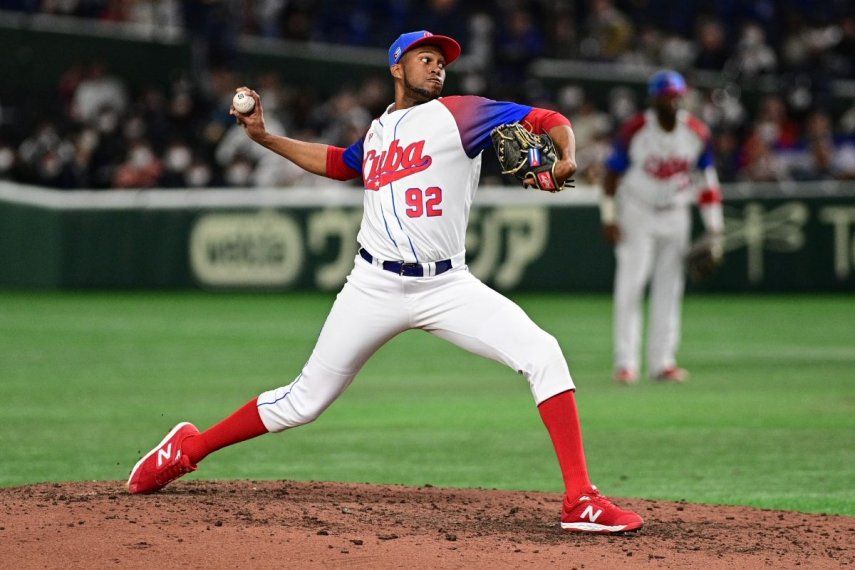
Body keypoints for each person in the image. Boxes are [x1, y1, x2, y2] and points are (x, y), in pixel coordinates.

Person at [127, 30, 643, 534]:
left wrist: (567, 155)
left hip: (447, 287)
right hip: (372, 285)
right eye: (425, 57)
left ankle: (581, 499)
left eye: (442, 59)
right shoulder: (378, 131)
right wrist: (264, 138)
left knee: (543, 351)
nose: (438, 65)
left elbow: (549, 119)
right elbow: (337, 163)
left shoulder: (462, 112)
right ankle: (188, 448)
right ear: (396, 67)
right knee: (305, 401)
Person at [600, 70, 724, 384]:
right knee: (631, 286)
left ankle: (663, 362)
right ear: (654, 99)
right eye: (665, 95)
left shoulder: (695, 132)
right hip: (637, 212)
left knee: (669, 289)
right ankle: (626, 363)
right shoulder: (636, 129)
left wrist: (714, 230)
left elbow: (707, 182)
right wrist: (609, 217)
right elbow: (611, 176)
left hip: (676, 213)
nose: (671, 100)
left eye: (675, 95)